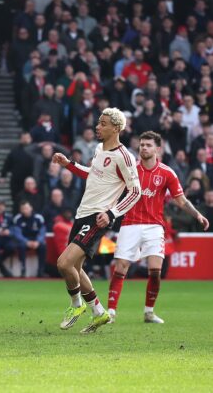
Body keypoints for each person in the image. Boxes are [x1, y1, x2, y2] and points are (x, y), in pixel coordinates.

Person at [52, 108, 141, 334]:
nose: (97, 127)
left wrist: (112, 214)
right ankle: (99, 312)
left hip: (98, 217)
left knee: (64, 263)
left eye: (102, 124)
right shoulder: (99, 148)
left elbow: (135, 192)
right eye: (98, 123)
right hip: (83, 213)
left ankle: (76, 305)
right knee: (76, 269)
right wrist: (68, 165)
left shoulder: (125, 156)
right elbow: (92, 174)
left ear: (116, 128)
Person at [107, 131, 209, 324]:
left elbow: (180, 200)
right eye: (142, 145)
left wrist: (197, 214)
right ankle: (111, 312)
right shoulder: (130, 170)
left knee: (155, 271)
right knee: (121, 268)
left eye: (148, 145)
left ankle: (149, 312)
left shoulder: (167, 173)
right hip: (130, 223)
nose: (144, 148)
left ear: (157, 149)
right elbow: (112, 189)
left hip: (154, 226)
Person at [12, 201, 47, 277]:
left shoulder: (39, 218)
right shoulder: (17, 219)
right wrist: (26, 242)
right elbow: (17, 234)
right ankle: (23, 269)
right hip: (24, 241)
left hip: (36, 240)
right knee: (21, 246)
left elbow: (42, 231)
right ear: (21, 210)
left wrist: (38, 241)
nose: (25, 210)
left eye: (27, 208)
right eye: (23, 209)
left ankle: (41, 271)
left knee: (43, 246)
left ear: (31, 208)